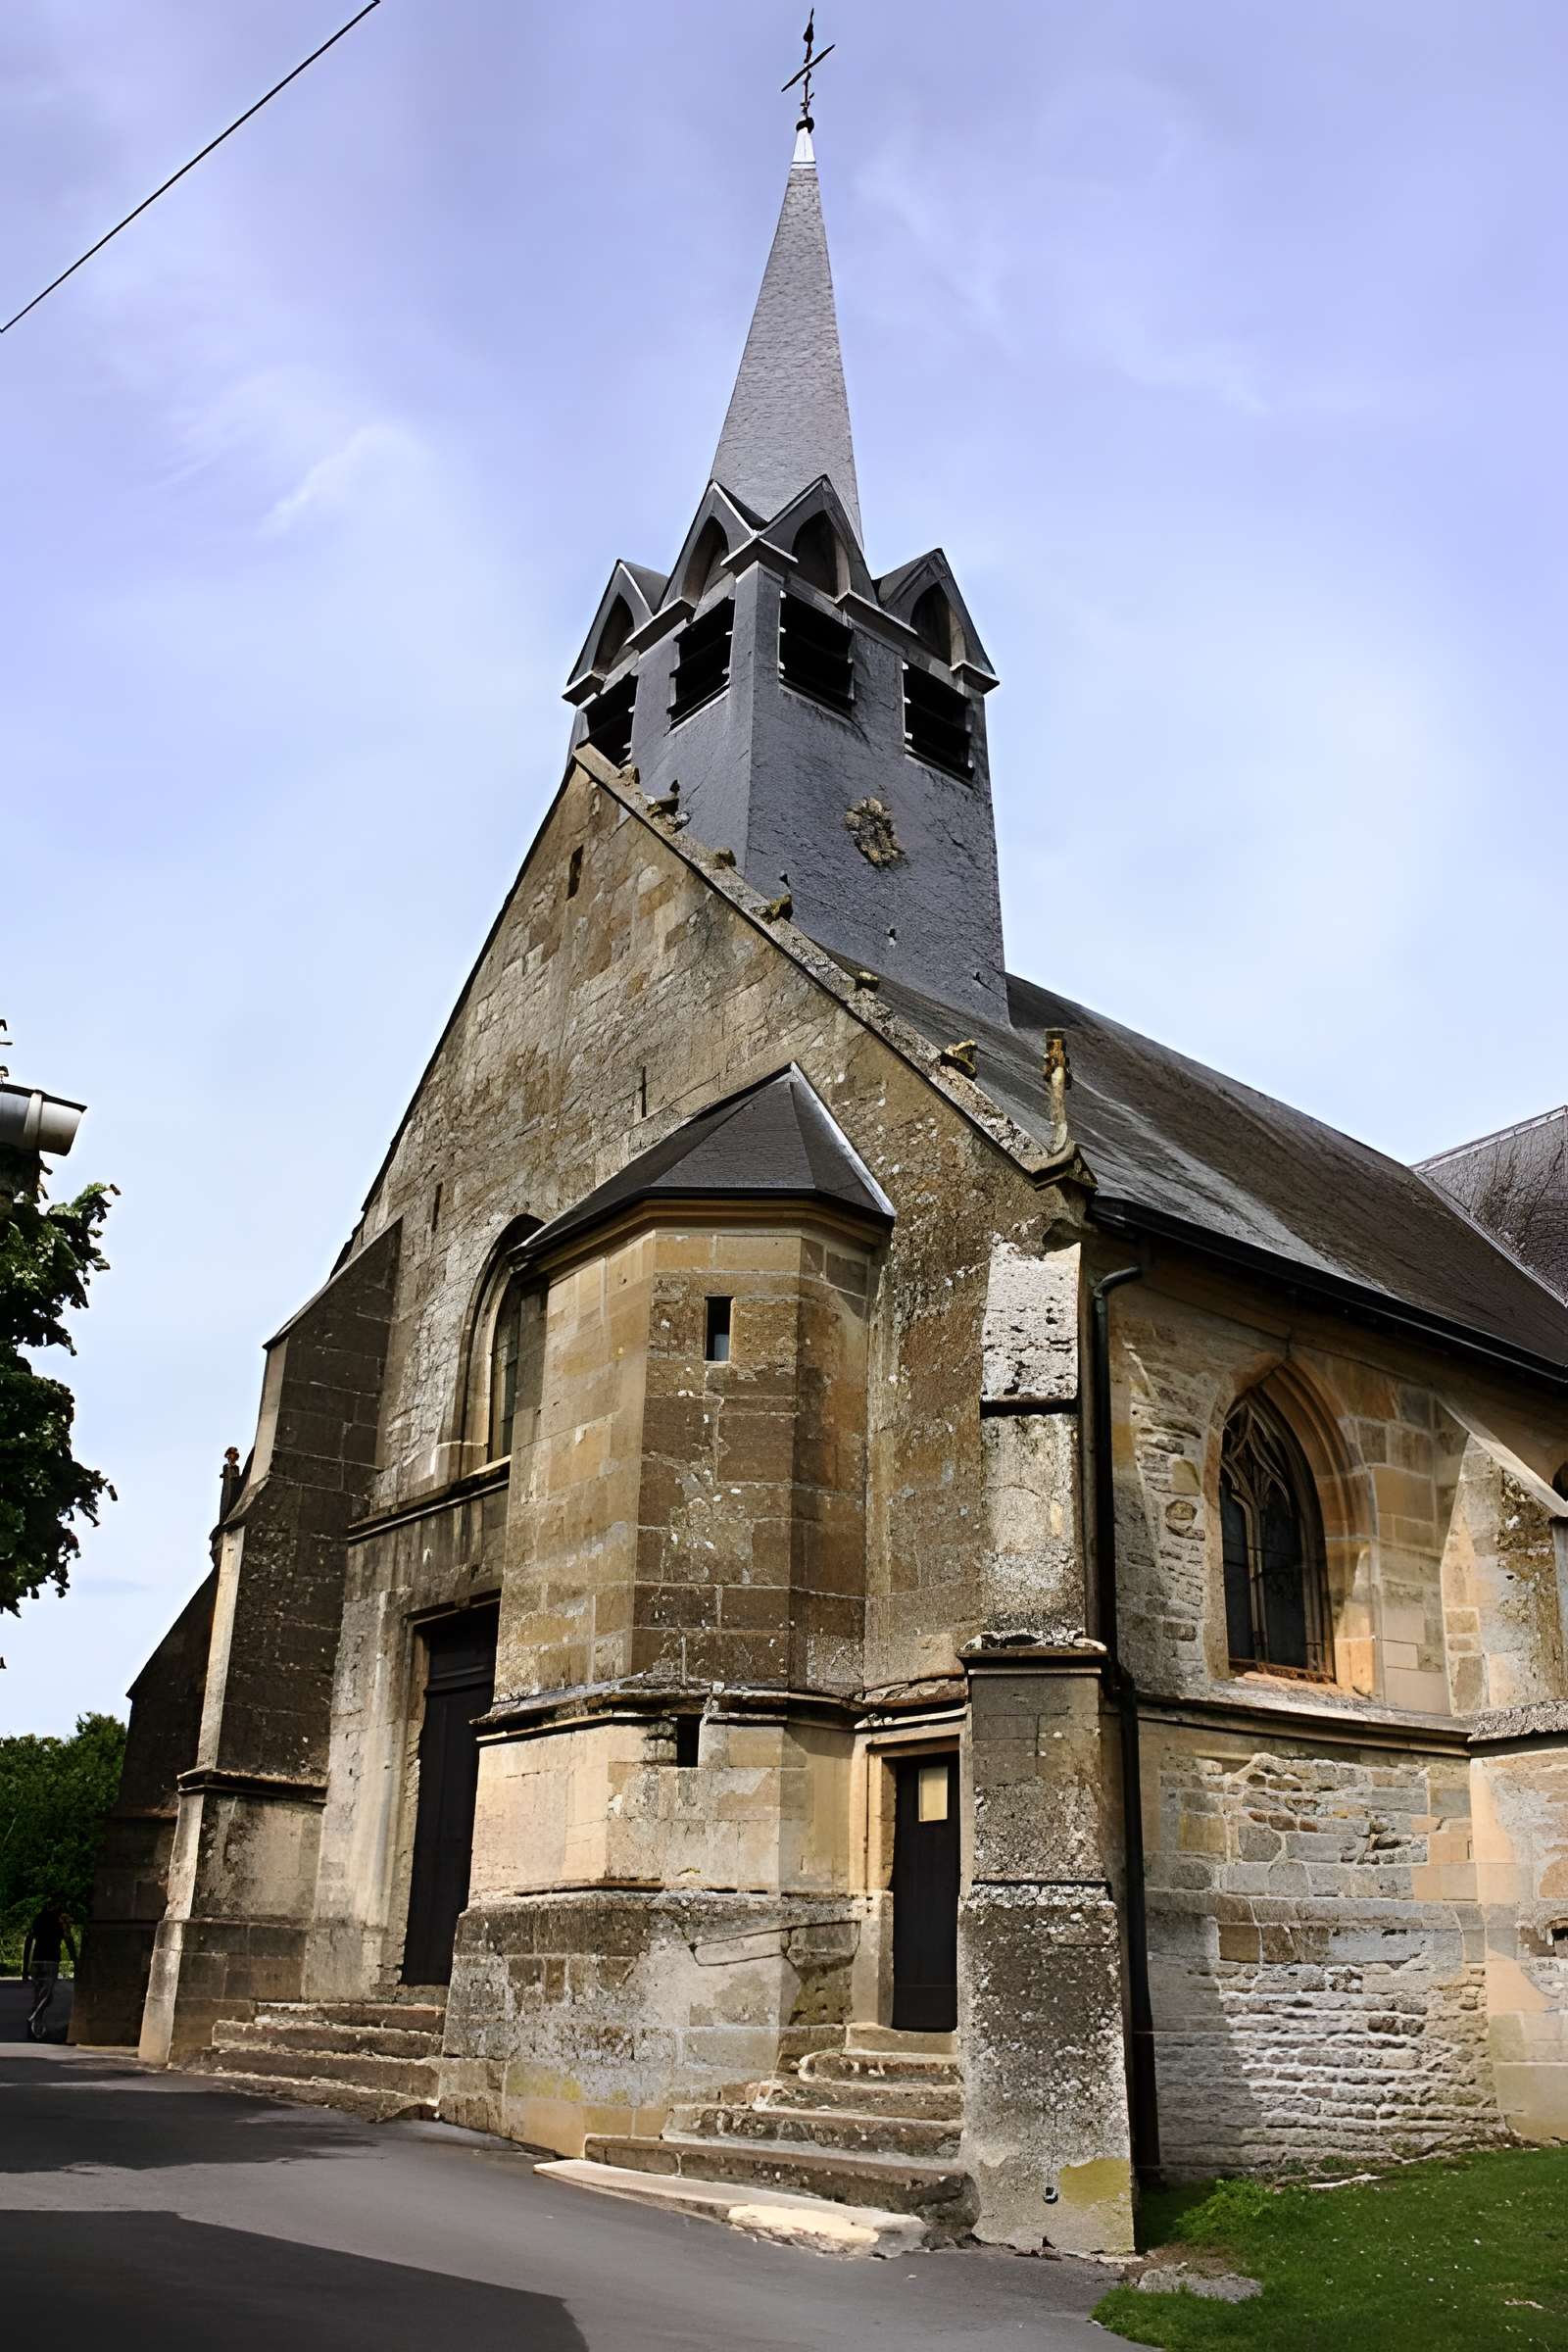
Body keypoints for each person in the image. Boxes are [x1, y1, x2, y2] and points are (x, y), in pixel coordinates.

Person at [23, 1896, 77, 2041]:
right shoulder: (61, 1919)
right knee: (46, 1997)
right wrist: (75, 1961)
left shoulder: (39, 1918)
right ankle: (33, 2018)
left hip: (36, 1962)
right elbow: (69, 1940)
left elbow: (28, 1941)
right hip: (50, 1961)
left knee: (39, 1997)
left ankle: (35, 2030)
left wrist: (25, 1967)